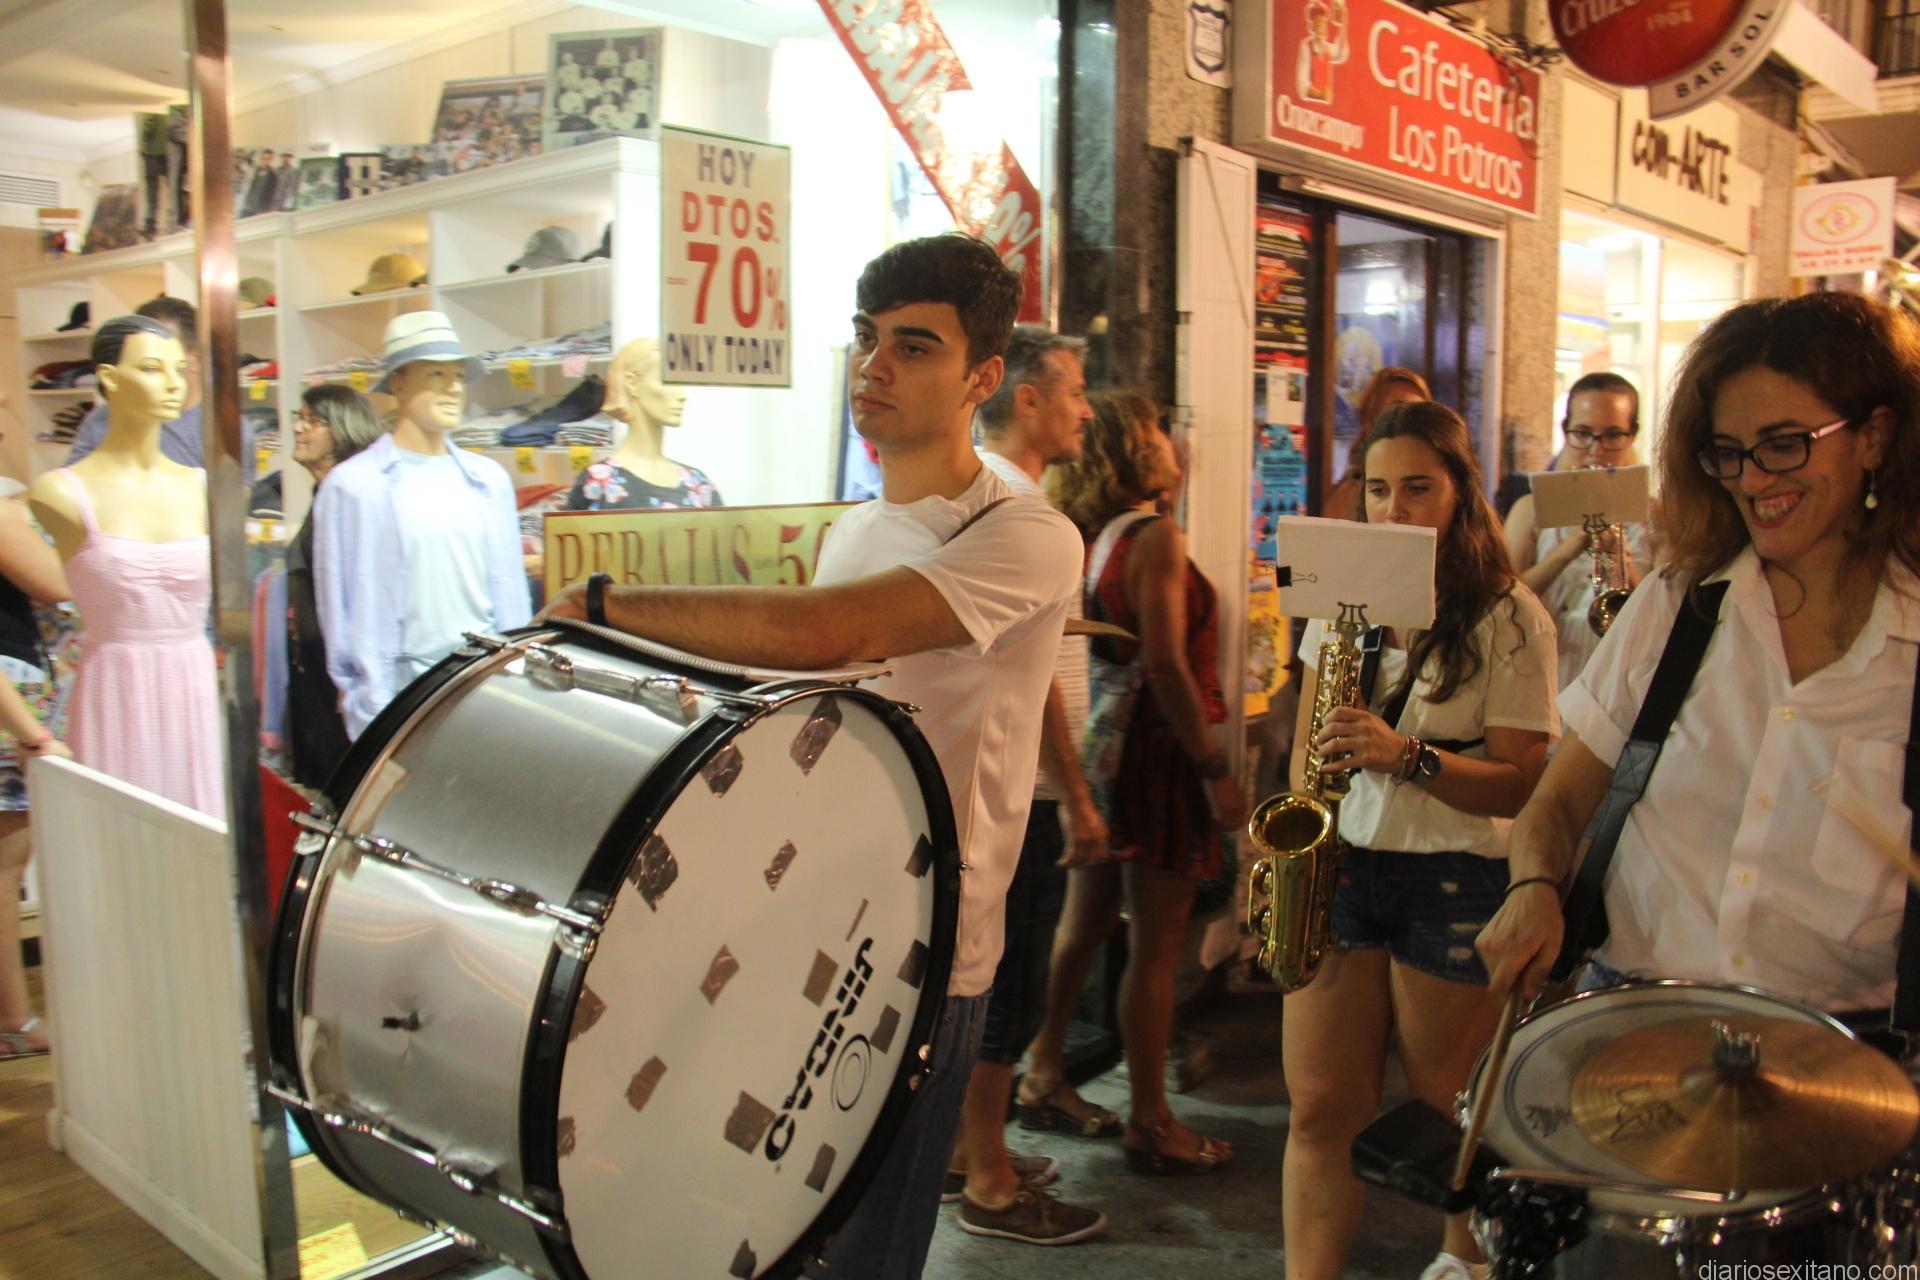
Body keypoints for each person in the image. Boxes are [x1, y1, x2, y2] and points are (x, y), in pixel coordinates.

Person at [539, 234, 1081, 1280]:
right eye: (867, 338)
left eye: (913, 347)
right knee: (775, 1237)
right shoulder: (859, 528)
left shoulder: (1026, 532)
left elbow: (831, 631)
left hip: (925, 956)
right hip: (808, 930)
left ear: (981, 378)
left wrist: (604, 603)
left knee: (867, 1254)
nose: (874, 366)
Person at [1479, 291, 1919, 1036]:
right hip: (1637, 1014)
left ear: (1874, 438)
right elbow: (1554, 805)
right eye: (1729, 452)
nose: (1753, 478)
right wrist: (1533, 887)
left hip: (1842, 1051)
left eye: (1785, 443)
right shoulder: (1677, 606)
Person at [1282, 401, 1557, 1280]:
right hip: (1342, 871)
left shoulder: (1508, 616)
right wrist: (1289, 847)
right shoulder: (1340, 598)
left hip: (1455, 876)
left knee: (1453, 1117)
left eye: (1417, 488)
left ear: (1460, 493)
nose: (1393, 510)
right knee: (1319, 1108)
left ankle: (1462, 1266)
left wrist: (1407, 756)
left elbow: (1522, 781)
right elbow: (1304, 746)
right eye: (1376, 489)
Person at [1021, 388, 1247, 1177]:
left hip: (1106, 745)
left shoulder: (1096, 535)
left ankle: (1043, 1069)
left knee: (1085, 923)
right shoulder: (1155, 537)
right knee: (1156, 945)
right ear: (1133, 447)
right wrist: (1215, 770)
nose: (1171, 438)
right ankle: (1150, 1118)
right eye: (1155, 428)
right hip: (1159, 754)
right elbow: (1166, 664)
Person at [946, 325, 1107, 1246]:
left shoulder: (1013, 500)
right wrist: (1074, 793)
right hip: (1022, 788)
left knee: (1003, 979)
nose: (1087, 410)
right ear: (1029, 398)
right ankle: (991, 1181)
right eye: (1075, 390)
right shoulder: (1014, 509)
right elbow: (1029, 669)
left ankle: (972, 1152)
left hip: (1020, 782)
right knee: (1005, 985)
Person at [315, 311, 530, 738]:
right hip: (396, 694)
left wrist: (519, 672)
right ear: (398, 383)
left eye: (458, 376)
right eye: (436, 374)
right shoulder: (353, 487)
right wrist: (359, 696)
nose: (453, 388)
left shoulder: (489, 481)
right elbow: (336, 605)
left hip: (487, 683)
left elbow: (511, 593)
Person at [1503, 372, 1656, 689]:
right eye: (1583, 433)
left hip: (1624, 682)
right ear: (1565, 430)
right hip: (1542, 677)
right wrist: (1567, 551)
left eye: (1612, 435)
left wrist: (1625, 567)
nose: (1595, 450)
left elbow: (1667, 616)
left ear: (1632, 434)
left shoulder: (1658, 518)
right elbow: (1498, 603)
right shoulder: (1529, 510)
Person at [0, 497, 72, 1060]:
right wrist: (32, 734)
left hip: (20, 692)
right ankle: (14, 1020)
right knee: (6, 866)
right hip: (14, 694)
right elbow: (60, 583)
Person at [285, 385, 383, 788]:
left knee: (347, 787)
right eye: (299, 417)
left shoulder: (354, 498)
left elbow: (365, 591)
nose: (298, 428)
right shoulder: (324, 494)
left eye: (313, 420)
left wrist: (352, 677)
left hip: (342, 679)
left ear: (344, 428)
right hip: (317, 670)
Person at [66, 296, 202, 469]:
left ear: (195, 359)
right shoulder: (104, 418)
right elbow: (76, 478)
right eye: (150, 366)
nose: (172, 381)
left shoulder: (221, 428)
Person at [1323, 366, 1430, 520]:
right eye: (1398, 411)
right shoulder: (1353, 493)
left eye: (1420, 412)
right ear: (1370, 419)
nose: (1413, 422)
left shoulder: (1431, 485)